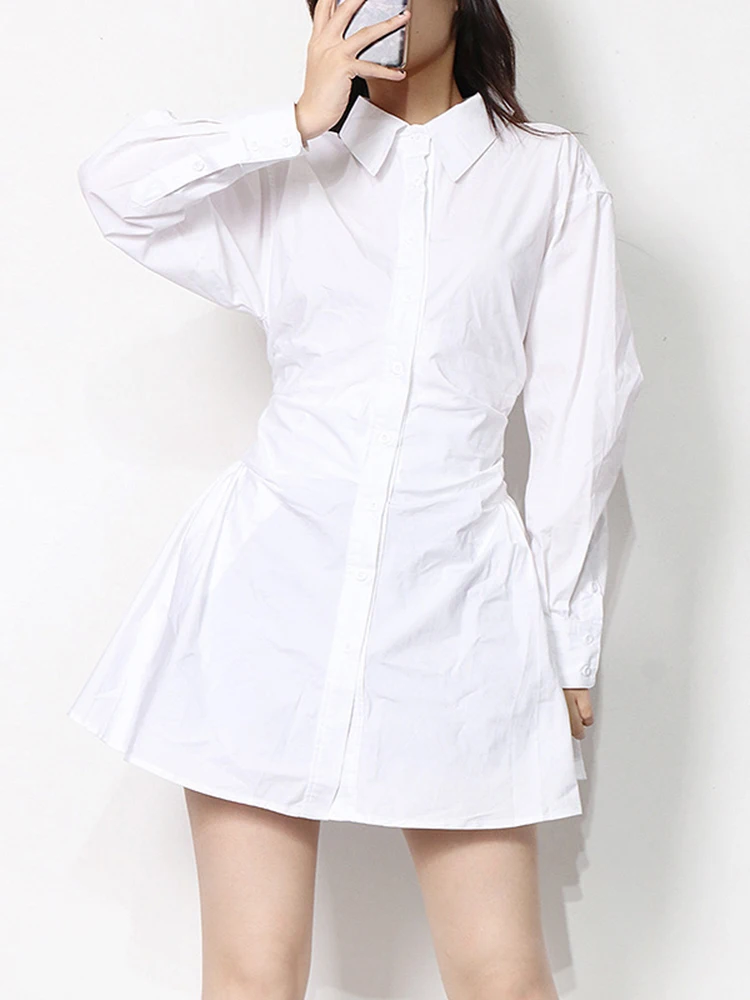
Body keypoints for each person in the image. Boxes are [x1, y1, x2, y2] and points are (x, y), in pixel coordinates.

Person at [67, 1, 645, 997]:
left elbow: (583, 411)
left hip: (458, 609)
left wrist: (563, 635)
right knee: (251, 975)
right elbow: (114, 190)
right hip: (266, 608)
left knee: (503, 975)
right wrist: (294, 121)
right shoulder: (291, 169)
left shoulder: (546, 175)